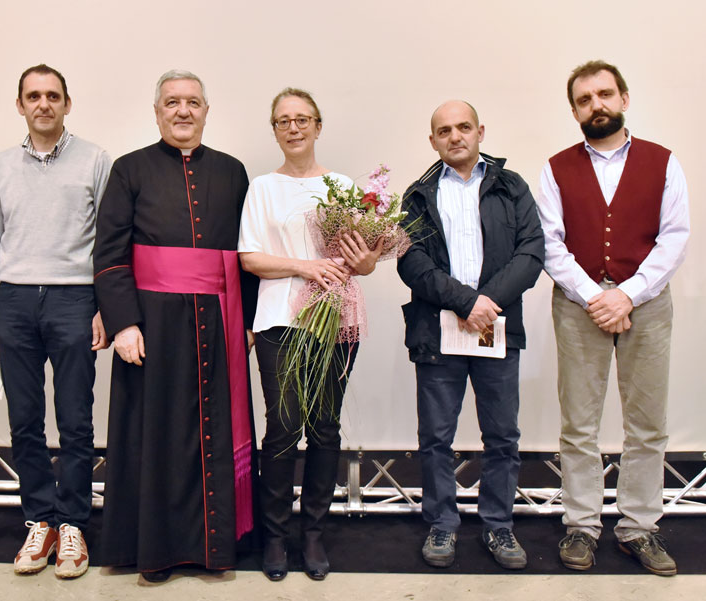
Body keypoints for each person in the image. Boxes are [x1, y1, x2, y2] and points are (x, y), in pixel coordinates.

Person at [92, 70, 257, 583]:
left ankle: (214, 550)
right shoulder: (129, 169)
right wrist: (123, 324)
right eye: (172, 103)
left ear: (207, 110)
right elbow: (110, 253)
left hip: (217, 321)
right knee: (155, 435)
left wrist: (247, 323)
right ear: (157, 111)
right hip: (152, 323)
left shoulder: (232, 171)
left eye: (192, 102)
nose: (182, 111)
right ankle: (156, 551)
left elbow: (245, 256)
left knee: (212, 432)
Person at [537, 60, 689, 576]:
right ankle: (581, 524)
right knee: (579, 423)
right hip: (578, 306)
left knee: (647, 424)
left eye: (604, 94)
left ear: (623, 98)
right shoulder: (555, 168)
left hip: (647, 303)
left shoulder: (664, 163)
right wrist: (593, 296)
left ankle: (639, 528)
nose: (595, 105)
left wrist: (627, 294)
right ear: (575, 110)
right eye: (584, 99)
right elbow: (549, 245)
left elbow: (674, 237)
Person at [237, 88, 382, 581]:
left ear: (318, 126)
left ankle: (313, 534)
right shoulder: (262, 188)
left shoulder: (341, 186)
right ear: (274, 130)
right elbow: (249, 258)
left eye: (303, 119)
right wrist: (306, 266)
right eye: (283, 121)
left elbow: (362, 259)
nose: (293, 127)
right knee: (282, 429)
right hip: (278, 322)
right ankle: (275, 536)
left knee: (324, 429)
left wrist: (366, 260)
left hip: (334, 321)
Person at [0, 64, 111, 579]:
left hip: (75, 300)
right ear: (20, 105)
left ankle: (73, 523)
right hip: (14, 301)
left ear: (67, 104)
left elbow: (109, 243)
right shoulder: (3, 166)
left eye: (53, 95)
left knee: (76, 419)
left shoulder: (96, 160)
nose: (43, 104)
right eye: (33, 96)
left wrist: (105, 307)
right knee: (24, 420)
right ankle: (40, 520)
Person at [397, 100, 543, 570]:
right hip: (437, 332)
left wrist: (487, 304)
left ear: (480, 131)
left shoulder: (511, 186)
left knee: (502, 436)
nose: (455, 136)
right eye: (444, 130)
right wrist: (465, 302)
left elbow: (532, 251)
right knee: (436, 437)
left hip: (497, 330)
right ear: (433, 140)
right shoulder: (417, 195)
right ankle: (442, 524)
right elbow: (411, 261)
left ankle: (499, 525)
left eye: (463, 127)